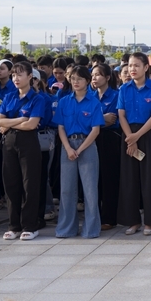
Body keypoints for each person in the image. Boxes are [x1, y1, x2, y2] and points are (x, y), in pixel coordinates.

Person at [117, 52, 151, 236]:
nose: (132, 69)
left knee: (150, 179)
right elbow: (121, 114)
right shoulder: (124, 89)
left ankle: (150, 222)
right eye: (130, 66)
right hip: (128, 134)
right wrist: (130, 137)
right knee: (129, 179)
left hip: (147, 134)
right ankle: (132, 221)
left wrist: (137, 135)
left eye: (137, 65)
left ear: (146, 67)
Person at [0, 61, 47, 240]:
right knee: (11, 184)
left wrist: (11, 123)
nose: (16, 79)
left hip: (28, 144)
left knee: (29, 185)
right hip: (9, 144)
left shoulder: (37, 98)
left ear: (30, 77)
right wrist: (20, 119)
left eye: (19, 75)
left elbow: (32, 124)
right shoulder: (10, 97)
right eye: (13, 75)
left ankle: (30, 225)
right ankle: (14, 225)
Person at [54, 66, 104, 238]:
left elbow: (96, 130)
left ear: (87, 81)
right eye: (73, 78)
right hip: (67, 145)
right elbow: (60, 127)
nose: (75, 82)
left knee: (90, 190)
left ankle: (90, 229)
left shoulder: (93, 102)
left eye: (80, 79)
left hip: (87, 145)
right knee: (67, 190)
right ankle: (67, 228)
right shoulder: (64, 101)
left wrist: (79, 149)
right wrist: (68, 148)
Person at [91, 63, 121, 230]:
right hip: (92, 139)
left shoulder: (116, 96)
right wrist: (101, 119)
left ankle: (110, 217)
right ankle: (95, 215)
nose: (94, 78)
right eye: (93, 75)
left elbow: (113, 119)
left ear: (108, 77)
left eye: (98, 75)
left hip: (110, 140)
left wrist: (95, 120)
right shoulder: (90, 96)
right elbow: (85, 119)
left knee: (109, 178)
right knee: (94, 178)